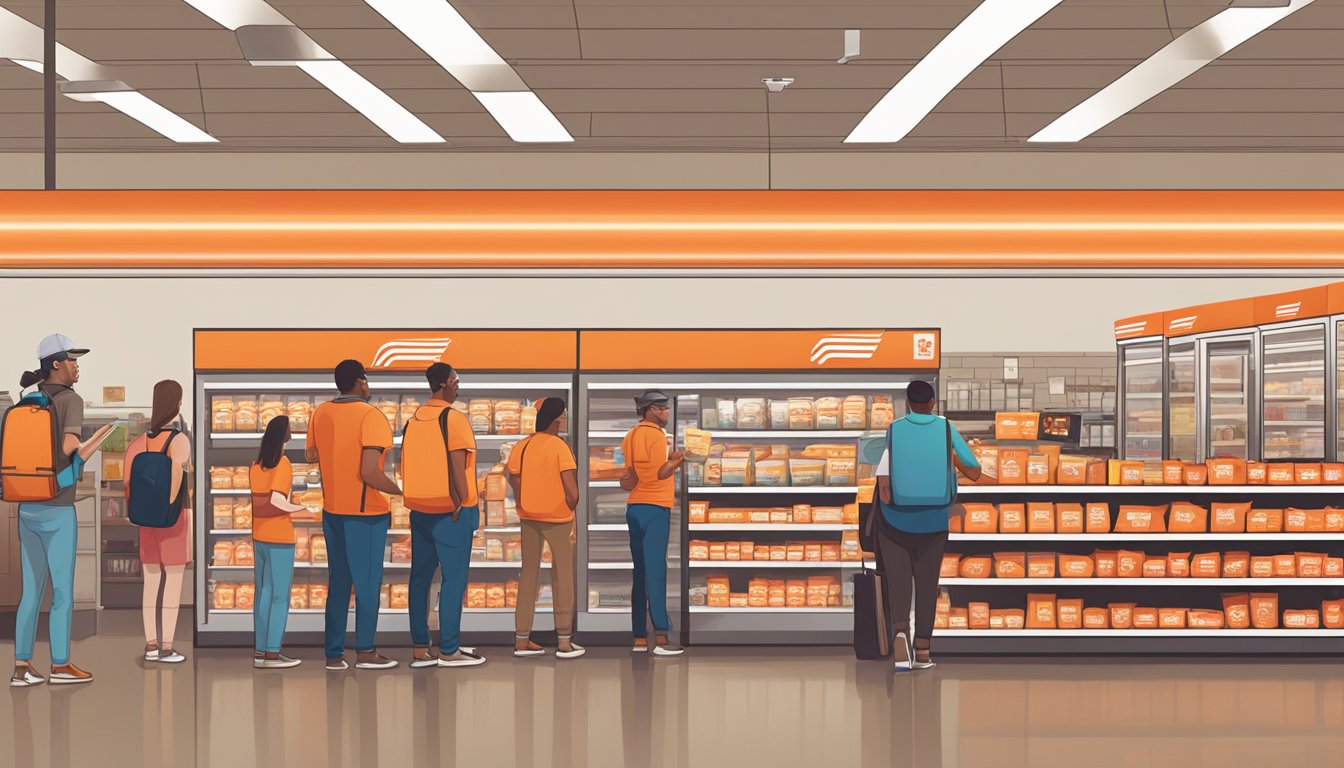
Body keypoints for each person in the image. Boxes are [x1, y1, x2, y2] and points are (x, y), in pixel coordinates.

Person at [10, 334, 110, 686]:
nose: (77, 366)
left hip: (26, 508)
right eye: (72, 360)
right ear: (56, 364)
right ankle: (60, 665)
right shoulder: (71, 400)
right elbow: (69, 446)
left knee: (31, 592)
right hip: (57, 507)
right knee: (63, 593)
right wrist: (88, 445)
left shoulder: (26, 401)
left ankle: (21, 667)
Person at [875, 379, 980, 671]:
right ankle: (922, 651)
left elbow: (889, 463)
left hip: (894, 519)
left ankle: (900, 638)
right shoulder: (946, 428)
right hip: (934, 521)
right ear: (933, 402)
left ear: (908, 404)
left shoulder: (894, 429)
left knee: (898, 584)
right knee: (926, 585)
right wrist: (953, 461)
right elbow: (975, 470)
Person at [307, 360, 402, 671]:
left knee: (338, 583)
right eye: (366, 380)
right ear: (361, 381)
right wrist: (401, 491)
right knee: (367, 583)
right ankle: (365, 650)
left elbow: (311, 455)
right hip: (366, 513)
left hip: (332, 509)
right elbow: (369, 472)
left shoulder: (320, 413)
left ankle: (334, 654)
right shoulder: (371, 416)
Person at [401, 363, 485, 668]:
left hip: (420, 509)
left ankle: (420, 648)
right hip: (451, 512)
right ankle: (449, 649)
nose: (458, 386)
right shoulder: (454, 418)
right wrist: (463, 501)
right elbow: (457, 463)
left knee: (420, 579)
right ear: (448, 382)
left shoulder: (413, 420)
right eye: (457, 381)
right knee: (453, 580)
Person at [506, 397, 583, 659]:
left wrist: (523, 500)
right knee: (562, 577)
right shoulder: (559, 447)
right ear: (557, 418)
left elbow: (512, 477)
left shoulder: (523, 445)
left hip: (529, 517)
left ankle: (521, 640)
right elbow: (572, 491)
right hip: (559, 519)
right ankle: (563, 641)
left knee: (528, 575)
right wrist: (569, 506)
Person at [125, 380, 193, 665]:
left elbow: (127, 482)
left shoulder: (138, 442)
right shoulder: (179, 440)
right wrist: (168, 504)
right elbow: (177, 473)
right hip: (174, 519)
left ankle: (150, 645)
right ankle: (167, 647)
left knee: (151, 582)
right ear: (176, 404)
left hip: (145, 520)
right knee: (174, 581)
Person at [619, 390, 685, 656]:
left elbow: (631, 473)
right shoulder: (657, 436)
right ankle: (661, 638)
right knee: (657, 572)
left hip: (635, 507)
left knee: (640, 572)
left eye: (666, 408)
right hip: (656, 507)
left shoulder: (630, 435)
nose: (665, 412)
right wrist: (677, 460)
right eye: (661, 408)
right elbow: (661, 473)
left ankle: (637, 636)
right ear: (649, 410)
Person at [250, 416, 306, 669]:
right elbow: (277, 501)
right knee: (280, 597)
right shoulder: (283, 464)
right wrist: (305, 507)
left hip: (259, 535)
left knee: (262, 593)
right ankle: (273, 653)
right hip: (280, 536)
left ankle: (260, 651)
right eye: (289, 431)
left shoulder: (255, 465)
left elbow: (262, 502)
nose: (292, 436)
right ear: (281, 435)